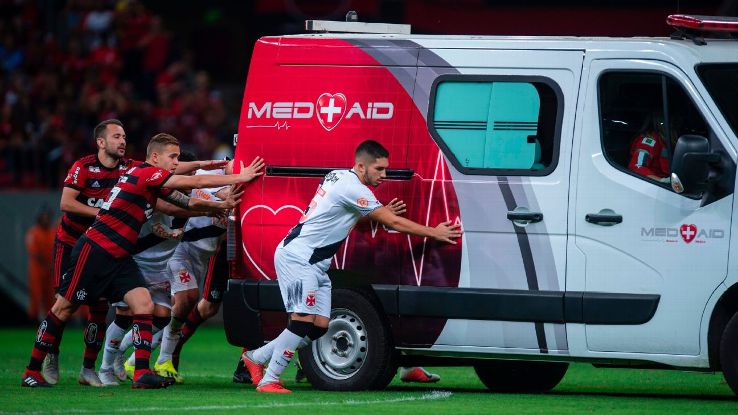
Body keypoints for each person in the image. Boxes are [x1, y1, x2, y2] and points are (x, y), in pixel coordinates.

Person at [20, 133, 265, 389]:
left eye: (178, 158)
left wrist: (217, 203)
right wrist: (240, 177)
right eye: (172, 157)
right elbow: (193, 180)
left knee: (143, 305)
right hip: (96, 249)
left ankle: (141, 374)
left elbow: (186, 200)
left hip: (121, 256)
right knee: (63, 309)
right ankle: (32, 370)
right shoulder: (146, 173)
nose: (175, 162)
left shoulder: (149, 177)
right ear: (155, 157)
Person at [241, 139, 461, 393]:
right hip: (299, 258)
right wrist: (433, 232)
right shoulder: (354, 188)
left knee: (318, 327)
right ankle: (270, 379)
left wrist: (378, 211)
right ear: (360, 166)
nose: (384, 175)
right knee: (301, 321)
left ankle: (255, 357)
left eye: (385, 169)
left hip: (314, 263)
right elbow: (394, 223)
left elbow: (342, 216)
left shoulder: (338, 177)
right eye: (379, 169)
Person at [97, 150, 199, 386]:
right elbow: (169, 213)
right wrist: (213, 208)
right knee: (125, 315)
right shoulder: (158, 191)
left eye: (193, 173)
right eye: (186, 171)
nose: (190, 177)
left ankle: (122, 351)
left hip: (160, 266)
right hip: (136, 260)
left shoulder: (192, 196)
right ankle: (105, 368)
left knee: (163, 317)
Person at [152, 164, 235, 383]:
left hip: (202, 258)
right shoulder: (201, 179)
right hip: (181, 251)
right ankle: (158, 360)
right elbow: (207, 192)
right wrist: (220, 200)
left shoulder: (223, 175)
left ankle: (134, 359)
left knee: (176, 310)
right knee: (181, 301)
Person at [627, 113, 681, 183]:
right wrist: (662, 181)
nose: (674, 123)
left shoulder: (668, 140)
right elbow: (637, 166)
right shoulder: (649, 141)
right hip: (655, 185)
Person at [25, 207, 56, 322]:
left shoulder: (53, 231)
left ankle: (48, 321)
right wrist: (47, 264)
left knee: (50, 297)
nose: (46, 220)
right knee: (36, 295)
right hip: (37, 270)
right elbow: (34, 252)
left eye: (47, 217)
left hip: (50, 270)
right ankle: (33, 321)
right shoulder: (33, 232)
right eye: (43, 217)